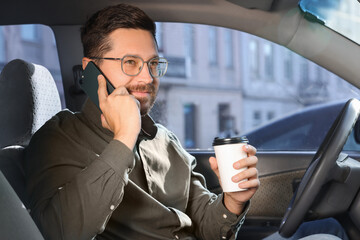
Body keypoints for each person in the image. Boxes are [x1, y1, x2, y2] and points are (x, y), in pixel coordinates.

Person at [24, 3, 348, 240]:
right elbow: (60, 231)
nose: (147, 77)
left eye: (153, 63)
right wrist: (123, 138)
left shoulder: (165, 139)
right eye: (131, 63)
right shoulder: (57, 139)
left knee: (329, 229)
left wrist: (232, 202)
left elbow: (204, 223)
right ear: (90, 68)